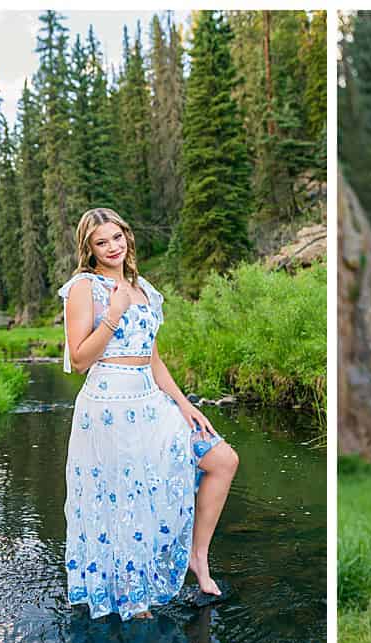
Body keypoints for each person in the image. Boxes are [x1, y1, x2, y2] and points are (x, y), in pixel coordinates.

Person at [59, 207, 240, 618]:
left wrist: (184, 403)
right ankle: (130, 590)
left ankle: (197, 556)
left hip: (150, 401)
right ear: (88, 248)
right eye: (101, 242)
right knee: (126, 496)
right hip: (109, 405)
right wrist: (114, 314)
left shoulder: (144, 288)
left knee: (222, 460)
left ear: (127, 236)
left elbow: (152, 358)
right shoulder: (84, 287)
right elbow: (80, 357)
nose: (112, 248)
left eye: (117, 238)